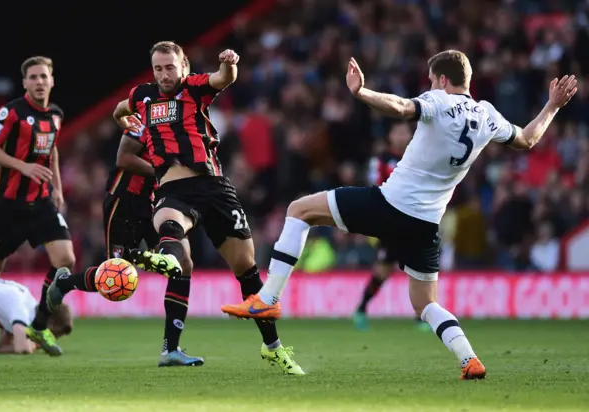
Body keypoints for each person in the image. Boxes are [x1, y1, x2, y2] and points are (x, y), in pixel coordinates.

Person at [222, 50, 577, 380]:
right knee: (425, 303)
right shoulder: (487, 114)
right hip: (426, 224)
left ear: (440, 80)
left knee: (299, 210)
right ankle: (470, 359)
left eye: (429, 79)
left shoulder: (438, 101)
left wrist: (362, 93)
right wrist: (551, 106)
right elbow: (528, 139)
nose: (429, 85)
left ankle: (267, 299)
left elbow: (402, 107)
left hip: (390, 205)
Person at [49, 41, 303, 373]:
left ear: (183, 66)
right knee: (166, 230)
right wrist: (126, 123)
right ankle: (162, 268)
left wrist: (228, 64)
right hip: (167, 189)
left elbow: (223, 79)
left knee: (247, 267)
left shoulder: (193, 88)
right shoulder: (143, 96)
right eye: (158, 68)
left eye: (170, 67)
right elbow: (119, 112)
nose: (165, 74)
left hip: (214, 187)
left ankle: (273, 347)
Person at [0, 56, 75, 360]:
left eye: (44, 76)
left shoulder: (56, 115)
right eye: (33, 77)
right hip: (7, 205)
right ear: (25, 83)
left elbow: (53, 149)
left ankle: (39, 323)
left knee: (65, 260)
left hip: (42, 201)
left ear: (52, 80)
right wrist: (24, 167)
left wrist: (57, 187)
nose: (39, 82)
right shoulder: (12, 112)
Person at [352, 122, 430, 331]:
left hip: (413, 221)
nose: (402, 135)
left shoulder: (418, 156)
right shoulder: (381, 160)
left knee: (418, 271)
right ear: (390, 135)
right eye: (398, 131)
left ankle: (420, 317)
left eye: (405, 132)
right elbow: (374, 188)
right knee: (382, 272)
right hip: (389, 223)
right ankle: (361, 309)